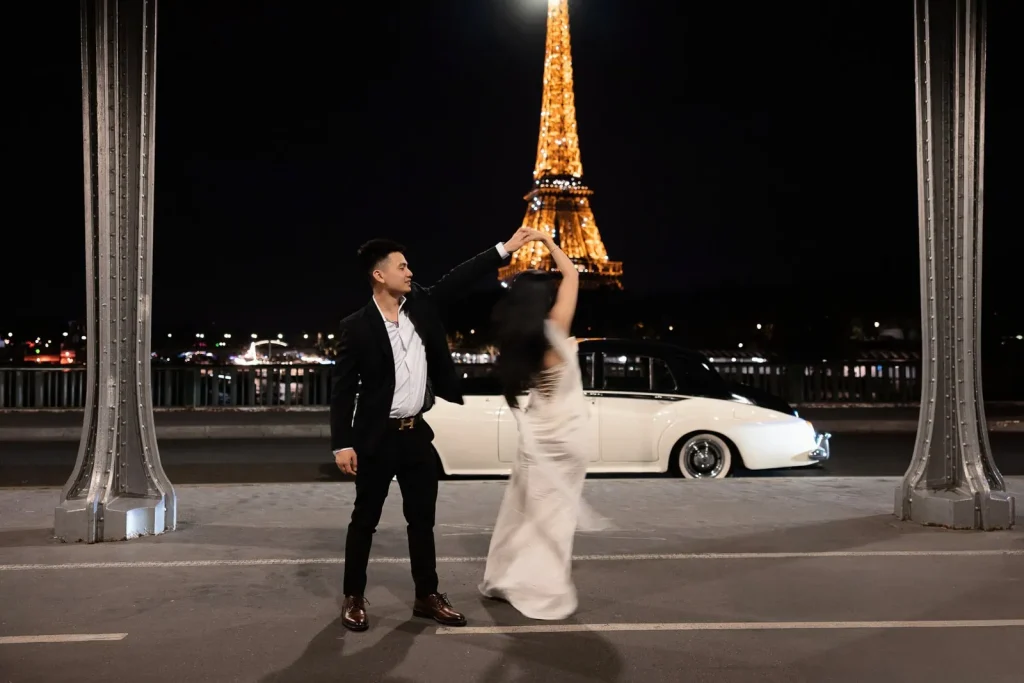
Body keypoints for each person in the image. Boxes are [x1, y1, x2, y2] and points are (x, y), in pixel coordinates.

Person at [330, 228, 536, 632]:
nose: (410, 272)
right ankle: (354, 596)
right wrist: (342, 444)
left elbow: (458, 278)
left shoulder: (421, 306)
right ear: (379, 275)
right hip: (376, 437)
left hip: (416, 435)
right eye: (402, 266)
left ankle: (427, 595)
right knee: (365, 520)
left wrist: (504, 249)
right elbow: (341, 392)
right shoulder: (355, 327)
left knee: (421, 520)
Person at [479, 229, 609, 620]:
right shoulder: (557, 329)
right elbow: (572, 276)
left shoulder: (519, 340)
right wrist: (550, 244)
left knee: (521, 510)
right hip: (569, 434)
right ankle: (541, 583)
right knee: (555, 519)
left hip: (538, 435)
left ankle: (504, 576)